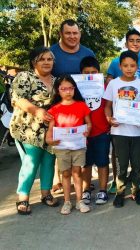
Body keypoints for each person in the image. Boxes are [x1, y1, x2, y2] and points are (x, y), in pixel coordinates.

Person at [10, 46, 59, 215]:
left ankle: (46, 194)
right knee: (31, 162)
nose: (46, 62)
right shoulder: (24, 76)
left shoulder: (56, 80)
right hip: (28, 128)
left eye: (49, 59)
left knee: (49, 161)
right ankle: (23, 197)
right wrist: (36, 111)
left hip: (51, 130)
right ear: (34, 62)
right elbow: (17, 99)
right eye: (42, 59)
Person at [50, 19, 95, 194]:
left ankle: (82, 179)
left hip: (82, 104)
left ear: (79, 34)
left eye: (75, 33)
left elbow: (93, 75)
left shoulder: (88, 52)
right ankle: (57, 178)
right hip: (59, 104)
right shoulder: (52, 52)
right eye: (68, 33)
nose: (72, 36)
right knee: (60, 141)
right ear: (61, 34)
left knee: (80, 141)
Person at [103, 50, 140, 207]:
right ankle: (120, 192)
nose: (129, 68)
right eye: (125, 66)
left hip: (138, 132)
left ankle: (136, 192)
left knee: (137, 165)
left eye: (132, 65)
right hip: (119, 132)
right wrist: (109, 119)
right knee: (121, 165)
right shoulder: (113, 84)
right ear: (120, 66)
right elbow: (107, 106)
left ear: (137, 66)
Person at [45, 75, 92, 215]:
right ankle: (67, 201)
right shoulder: (54, 109)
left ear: (74, 89)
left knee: (77, 172)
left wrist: (88, 131)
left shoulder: (81, 105)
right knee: (65, 173)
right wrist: (50, 140)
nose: (67, 91)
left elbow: (88, 123)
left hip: (78, 146)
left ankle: (79, 201)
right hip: (62, 147)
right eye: (63, 88)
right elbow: (50, 130)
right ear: (58, 90)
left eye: (70, 88)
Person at [79, 56, 111, 205]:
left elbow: (109, 106)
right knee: (85, 164)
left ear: (98, 73)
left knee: (103, 162)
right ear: (81, 73)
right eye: (86, 72)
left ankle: (103, 190)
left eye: (93, 72)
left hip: (102, 131)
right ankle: (86, 190)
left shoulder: (105, 87)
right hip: (83, 133)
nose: (90, 75)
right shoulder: (77, 89)